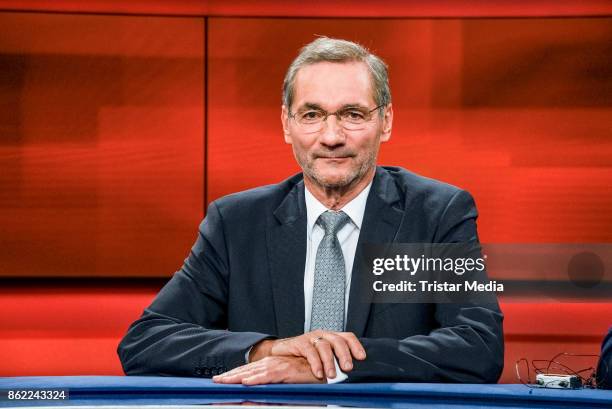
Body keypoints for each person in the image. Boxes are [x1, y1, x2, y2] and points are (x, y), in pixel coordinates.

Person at [117, 37, 504, 384]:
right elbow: (147, 341)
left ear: (385, 121)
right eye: (312, 115)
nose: (332, 137)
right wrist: (269, 350)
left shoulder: (433, 215)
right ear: (287, 124)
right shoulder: (236, 223)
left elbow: (478, 348)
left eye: (353, 114)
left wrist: (328, 366)